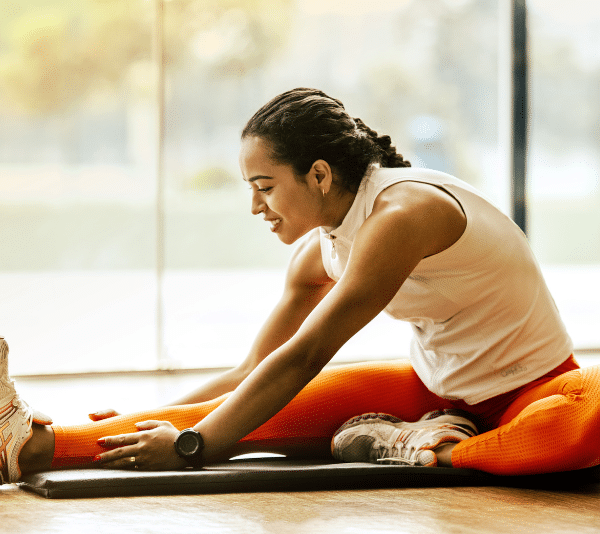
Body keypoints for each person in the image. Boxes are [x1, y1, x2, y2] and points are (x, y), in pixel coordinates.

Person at [2, 88, 599, 485]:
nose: (256, 206)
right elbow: (253, 371)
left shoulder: (401, 216)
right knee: (230, 417)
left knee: (583, 421)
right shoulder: (321, 249)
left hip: (534, 391)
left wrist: (195, 446)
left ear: (318, 175)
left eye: (264, 185)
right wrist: (165, 419)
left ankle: (434, 449)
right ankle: (24, 446)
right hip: (433, 391)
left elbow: (308, 355)